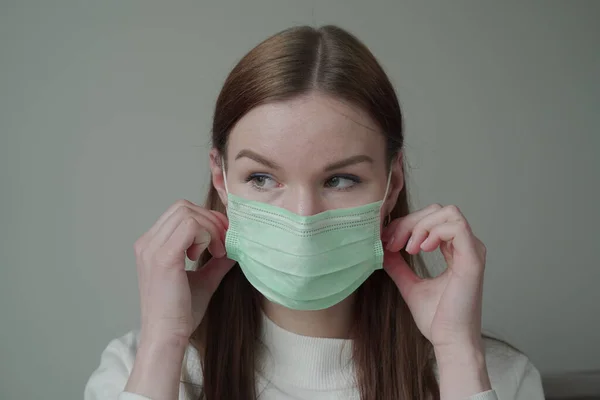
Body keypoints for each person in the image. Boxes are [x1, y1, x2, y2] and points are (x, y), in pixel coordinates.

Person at [85, 25, 544, 400]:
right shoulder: (138, 372)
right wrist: (165, 341)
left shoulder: (498, 379)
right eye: (263, 178)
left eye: (339, 179)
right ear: (222, 180)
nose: (304, 217)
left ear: (392, 183)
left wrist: (458, 354)